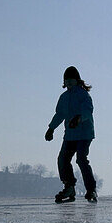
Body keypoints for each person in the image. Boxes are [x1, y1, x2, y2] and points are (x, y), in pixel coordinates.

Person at [45, 66, 97, 203]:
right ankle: (69, 186)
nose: (68, 82)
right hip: (70, 135)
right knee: (63, 159)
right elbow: (60, 114)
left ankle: (91, 189)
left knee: (81, 159)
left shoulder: (83, 94)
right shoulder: (64, 97)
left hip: (84, 134)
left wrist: (79, 118)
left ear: (77, 80)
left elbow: (88, 111)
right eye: (66, 80)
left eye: (71, 79)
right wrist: (51, 128)